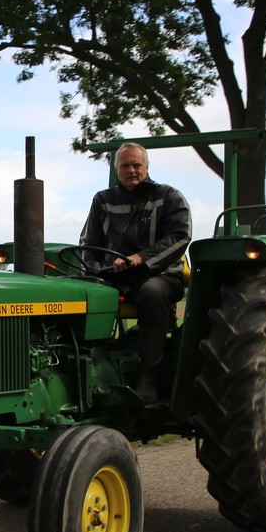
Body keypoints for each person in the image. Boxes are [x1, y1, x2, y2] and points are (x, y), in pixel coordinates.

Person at [79, 142, 192, 404]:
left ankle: (148, 379)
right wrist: (92, 274)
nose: (131, 170)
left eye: (136, 165)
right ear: (116, 170)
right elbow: (88, 244)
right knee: (80, 292)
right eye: (125, 166)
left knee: (152, 292)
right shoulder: (103, 200)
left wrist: (141, 259)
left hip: (159, 275)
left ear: (146, 167)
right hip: (114, 278)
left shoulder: (167, 197)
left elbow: (179, 236)